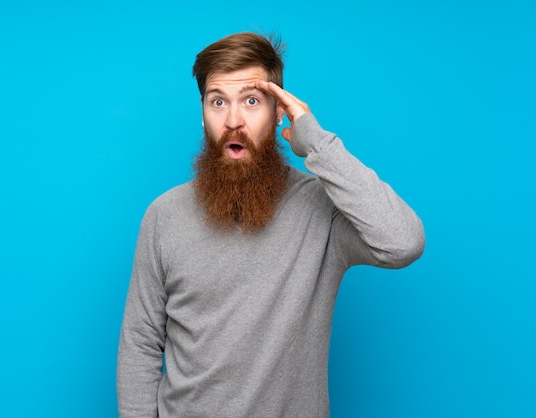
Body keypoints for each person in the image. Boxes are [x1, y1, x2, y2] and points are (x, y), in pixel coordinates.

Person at [117, 32, 425, 417]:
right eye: (218, 102)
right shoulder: (163, 215)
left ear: (279, 111)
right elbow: (140, 342)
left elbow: (404, 242)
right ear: (202, 114)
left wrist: (316, 142)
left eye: (251, 101)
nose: (233, 120)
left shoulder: (322, 209)